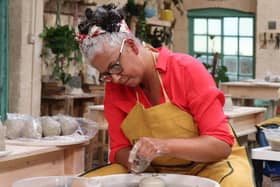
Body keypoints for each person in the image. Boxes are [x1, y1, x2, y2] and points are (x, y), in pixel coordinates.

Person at [78, 4, 255, 187]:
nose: (114, 78)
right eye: (105, 74)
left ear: (131, 46)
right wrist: (137, 163)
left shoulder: (186, 69)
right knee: (84, 183)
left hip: (210, 166)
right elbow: (119, 150)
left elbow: (220, 145)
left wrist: (163, 146)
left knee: (236, 183)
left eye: (115, 66)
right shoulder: (115, 89)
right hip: (153, 170)